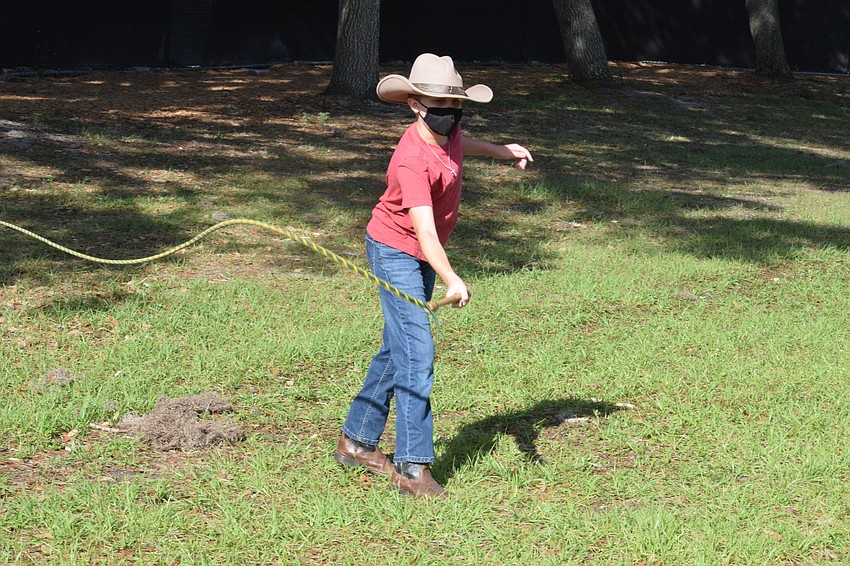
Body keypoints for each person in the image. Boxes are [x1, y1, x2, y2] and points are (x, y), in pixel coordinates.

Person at [334, 53, 533, 498]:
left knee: (399, 346)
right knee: (418, 355)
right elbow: (423, 229)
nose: (448, 114)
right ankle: (412, 467)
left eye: (454, 105)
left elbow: (462, 146)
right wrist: (451, 277)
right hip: (394, 252)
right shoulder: (410, 159)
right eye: (437, 105)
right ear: (414, 105)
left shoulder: (450, 130)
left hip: (421, 254)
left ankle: (356, 439)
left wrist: (502, 150)